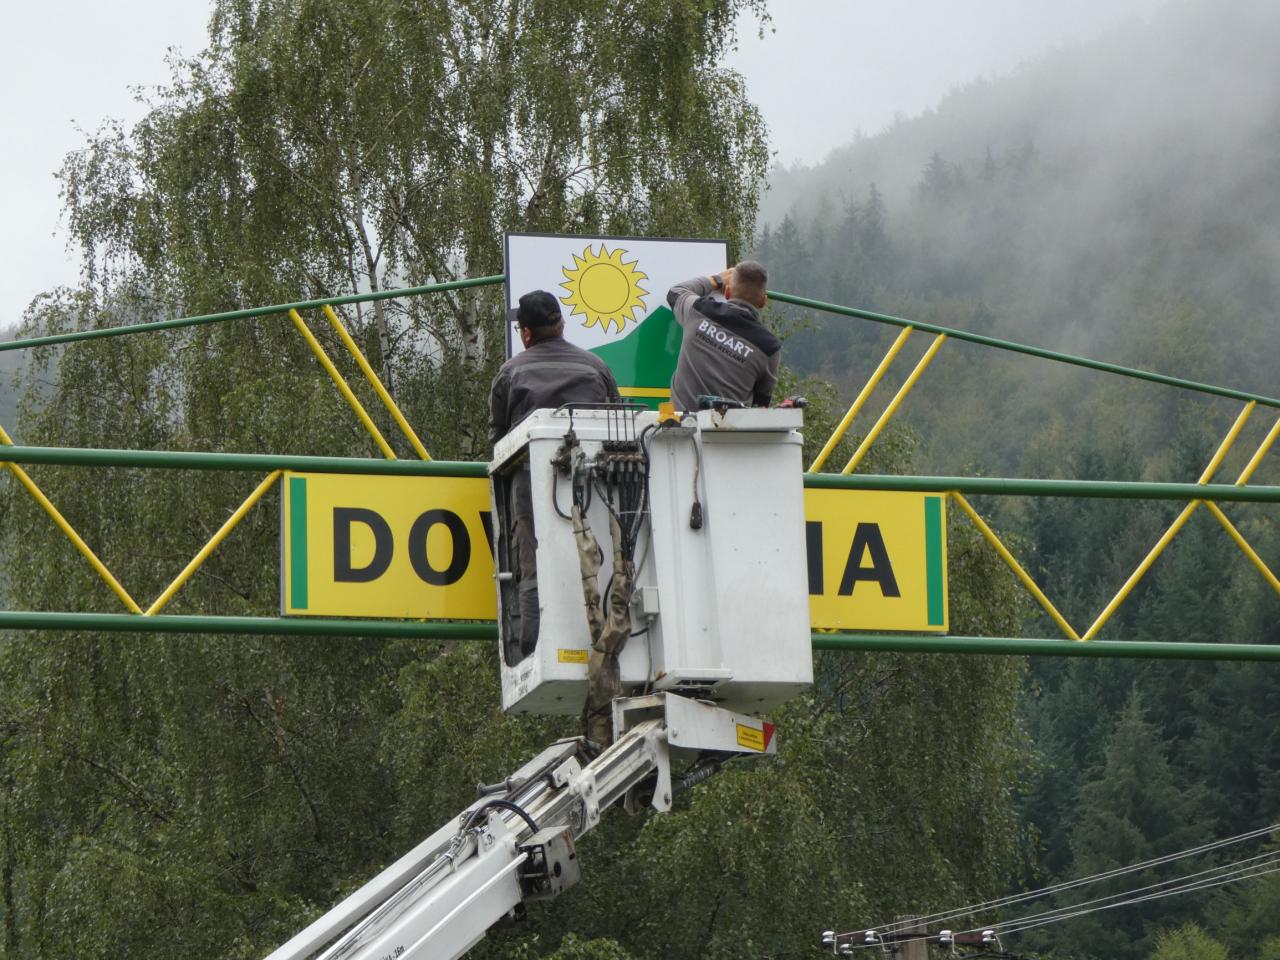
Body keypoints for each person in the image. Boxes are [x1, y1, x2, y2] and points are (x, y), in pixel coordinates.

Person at [489, 290, 620, 656]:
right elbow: (615, 426)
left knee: (531, 554)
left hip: (529, 483)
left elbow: (497, 444)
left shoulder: (510, 373)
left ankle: (532, 642)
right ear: (561, 325)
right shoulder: (598, 368)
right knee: (597, 549)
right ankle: (607, 626)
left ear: (526, 333)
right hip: (593, 485)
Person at [667, 260, 781, 411]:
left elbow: (676, 292)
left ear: (727, 292)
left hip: (682, 423)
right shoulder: (769, 348)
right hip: (730, 426)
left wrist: (716, 280)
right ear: (763, 302)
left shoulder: (699, 311)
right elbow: (761, 406)